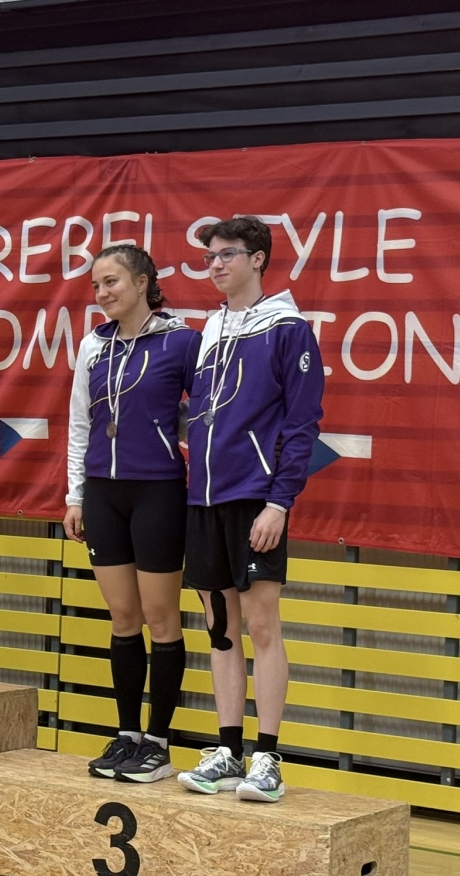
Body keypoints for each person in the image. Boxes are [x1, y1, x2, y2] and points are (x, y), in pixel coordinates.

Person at [176, 216, 324, 802]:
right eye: (209, 257)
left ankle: (268, 758)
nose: (214, 265)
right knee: (220, 630)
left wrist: (279, 502)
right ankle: (228, 751)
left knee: (261, 626)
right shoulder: (209, 328)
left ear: (258, 259)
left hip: (256, 500)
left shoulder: (288, 329)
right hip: (204, 500)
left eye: (227, 255)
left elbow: (302, 423)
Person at [64, 245, 201, 782]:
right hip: (103, 493)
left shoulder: (182, 341)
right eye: (96, 285)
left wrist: (173, 432)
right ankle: (127, 736)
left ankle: (159, 743)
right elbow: (80, 424)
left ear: (143, 282)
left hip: (158, 492)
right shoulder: (92, 346)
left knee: (161, 618)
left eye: (112, 282)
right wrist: (75, 495)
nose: (102, 293)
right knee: (123, 618)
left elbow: (206, 414)